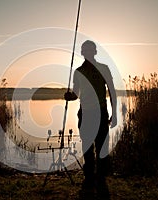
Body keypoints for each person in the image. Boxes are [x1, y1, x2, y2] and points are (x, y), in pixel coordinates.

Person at [64, 40, 117, 196]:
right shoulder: (78, 71)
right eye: (85, 50)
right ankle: (89, 178)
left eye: (90, 50)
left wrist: (114, 114)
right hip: (85, 113)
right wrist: (70, 96)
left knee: (101, 147)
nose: (87, 52)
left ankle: (101, 178)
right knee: (87, 147)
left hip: (101, 112)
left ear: (94, 52)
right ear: (82, 52)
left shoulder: (104, 68)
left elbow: (112, 91)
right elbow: (76, 93)